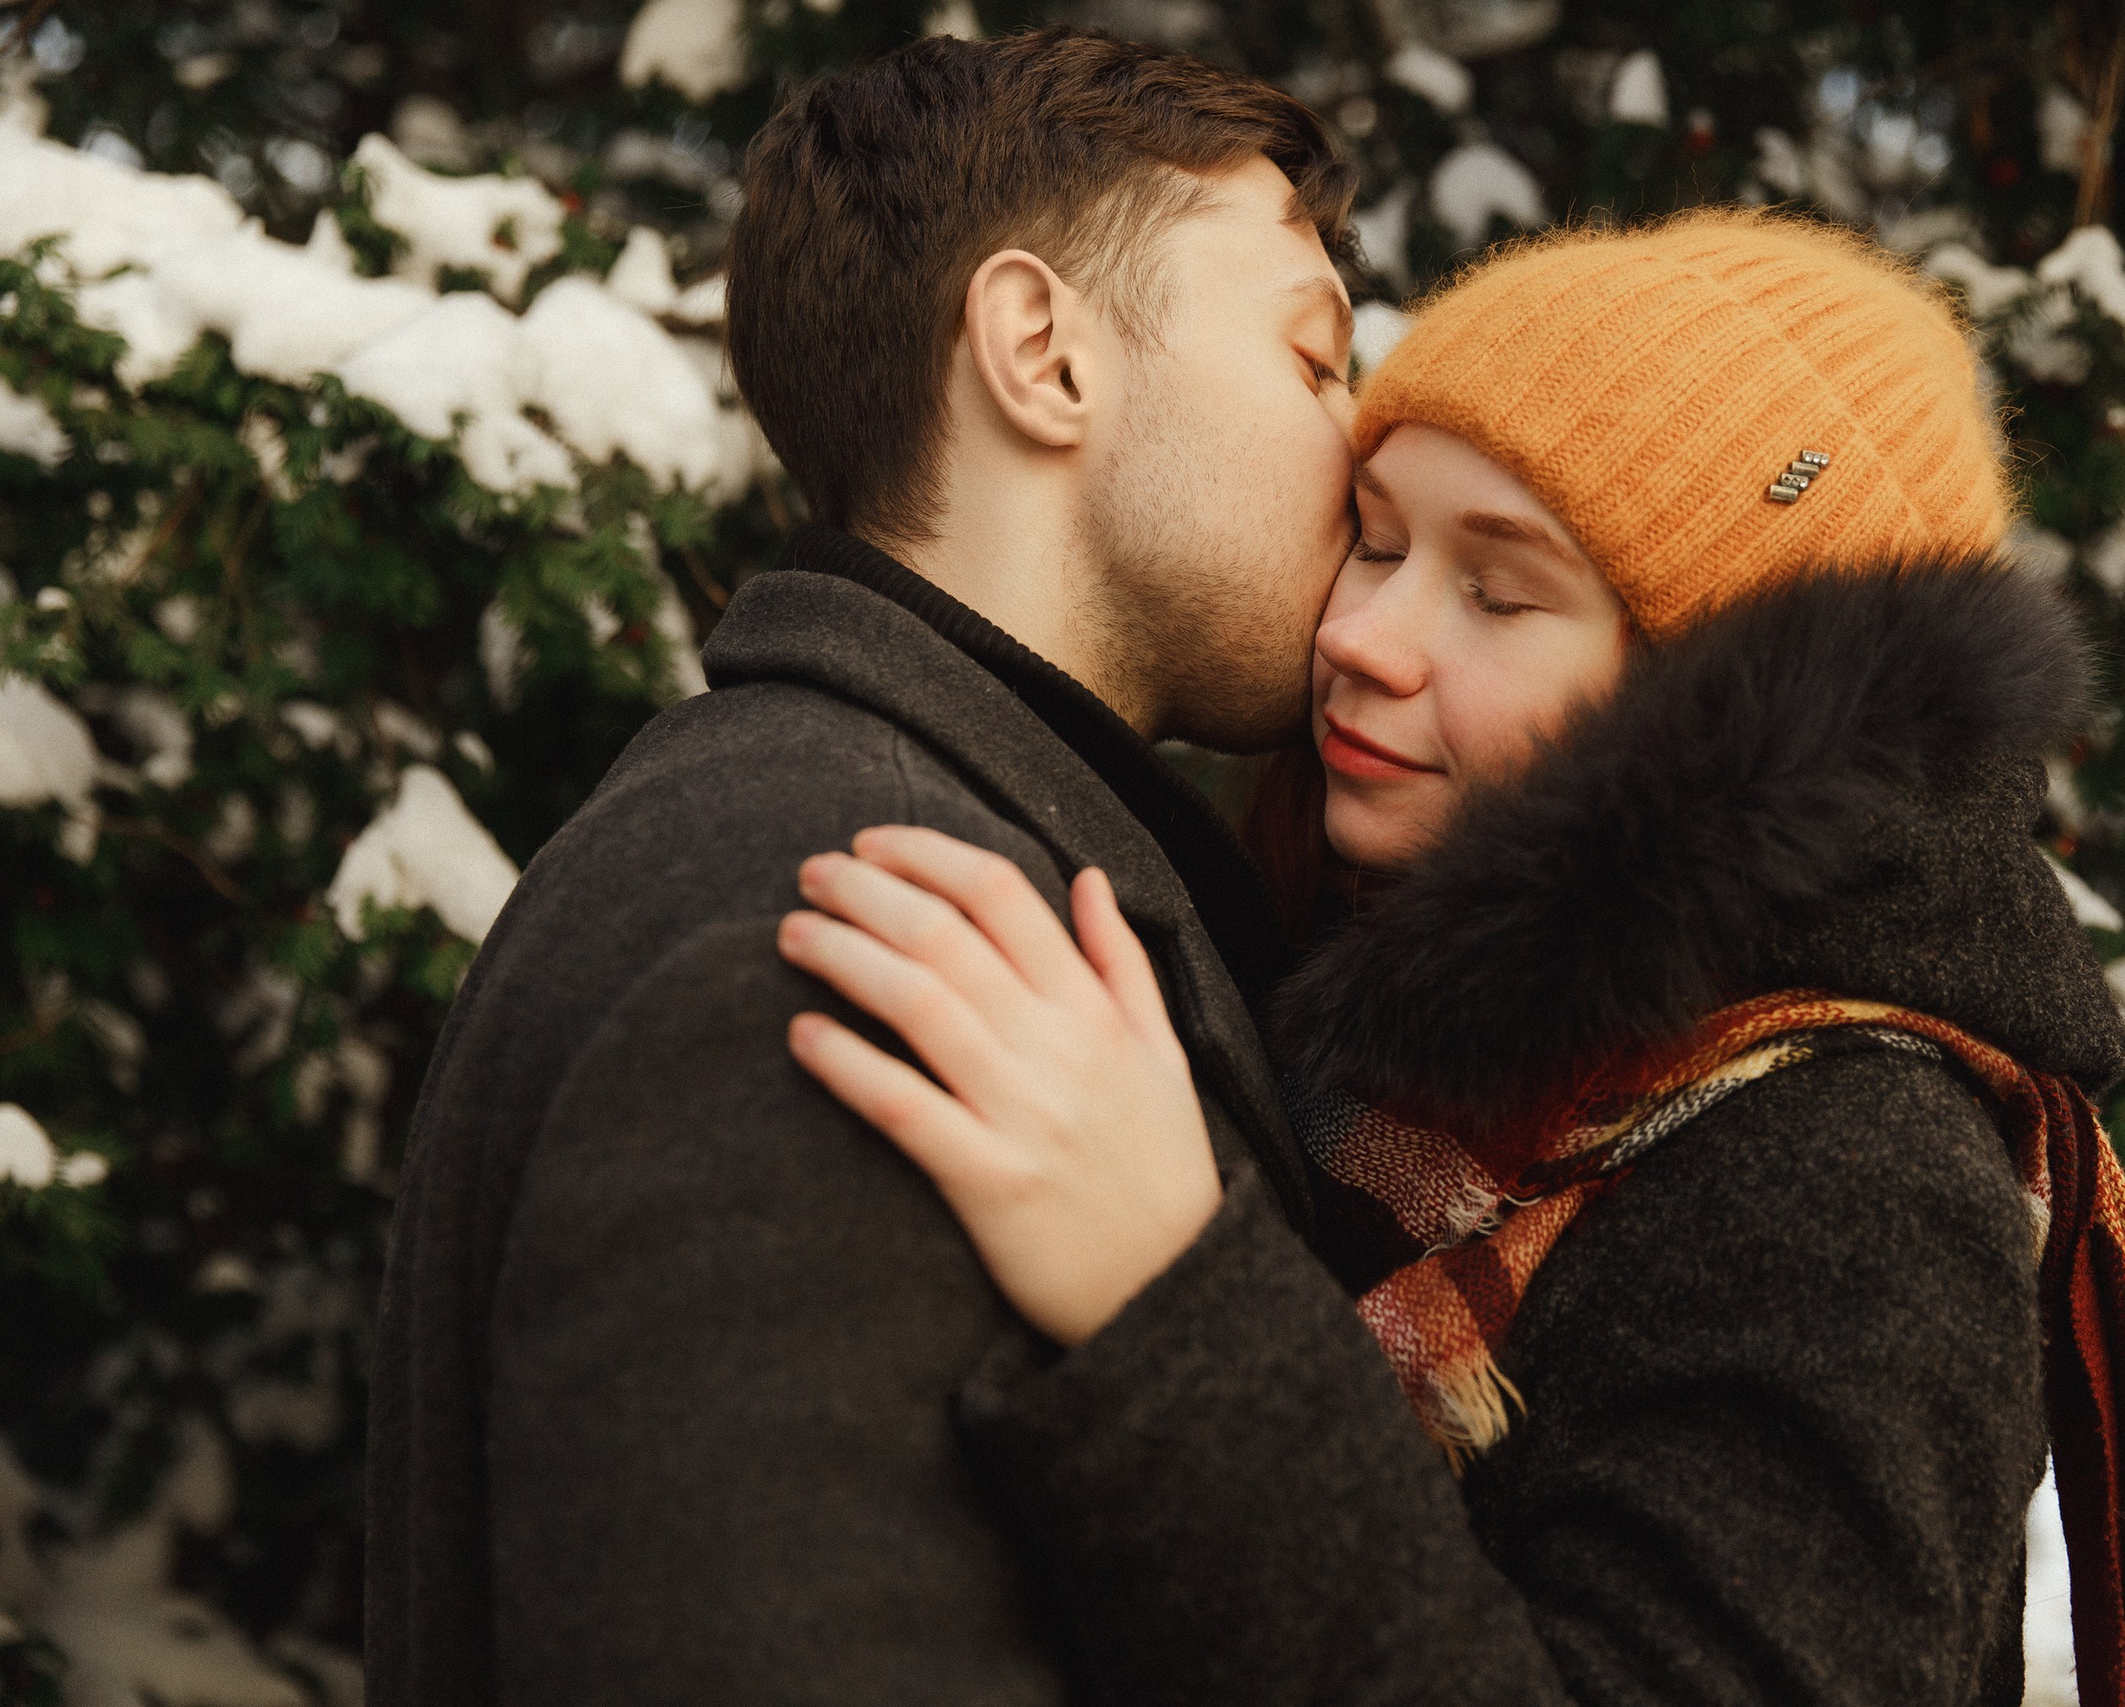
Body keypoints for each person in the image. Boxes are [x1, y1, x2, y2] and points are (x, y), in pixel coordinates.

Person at [778, 215, 2125, 1706]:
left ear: (1720, 707)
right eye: (1375, 542)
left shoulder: (1843, 1176)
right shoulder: (1396, 1021)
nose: (1364, 639)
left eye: (1499, 587)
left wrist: (1170, 1308)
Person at [364, 30, 1386, 1705]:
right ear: (1043, 351)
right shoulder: (847, 932)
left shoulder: (867, 838)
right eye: (1312, 356)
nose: (1359, 445)